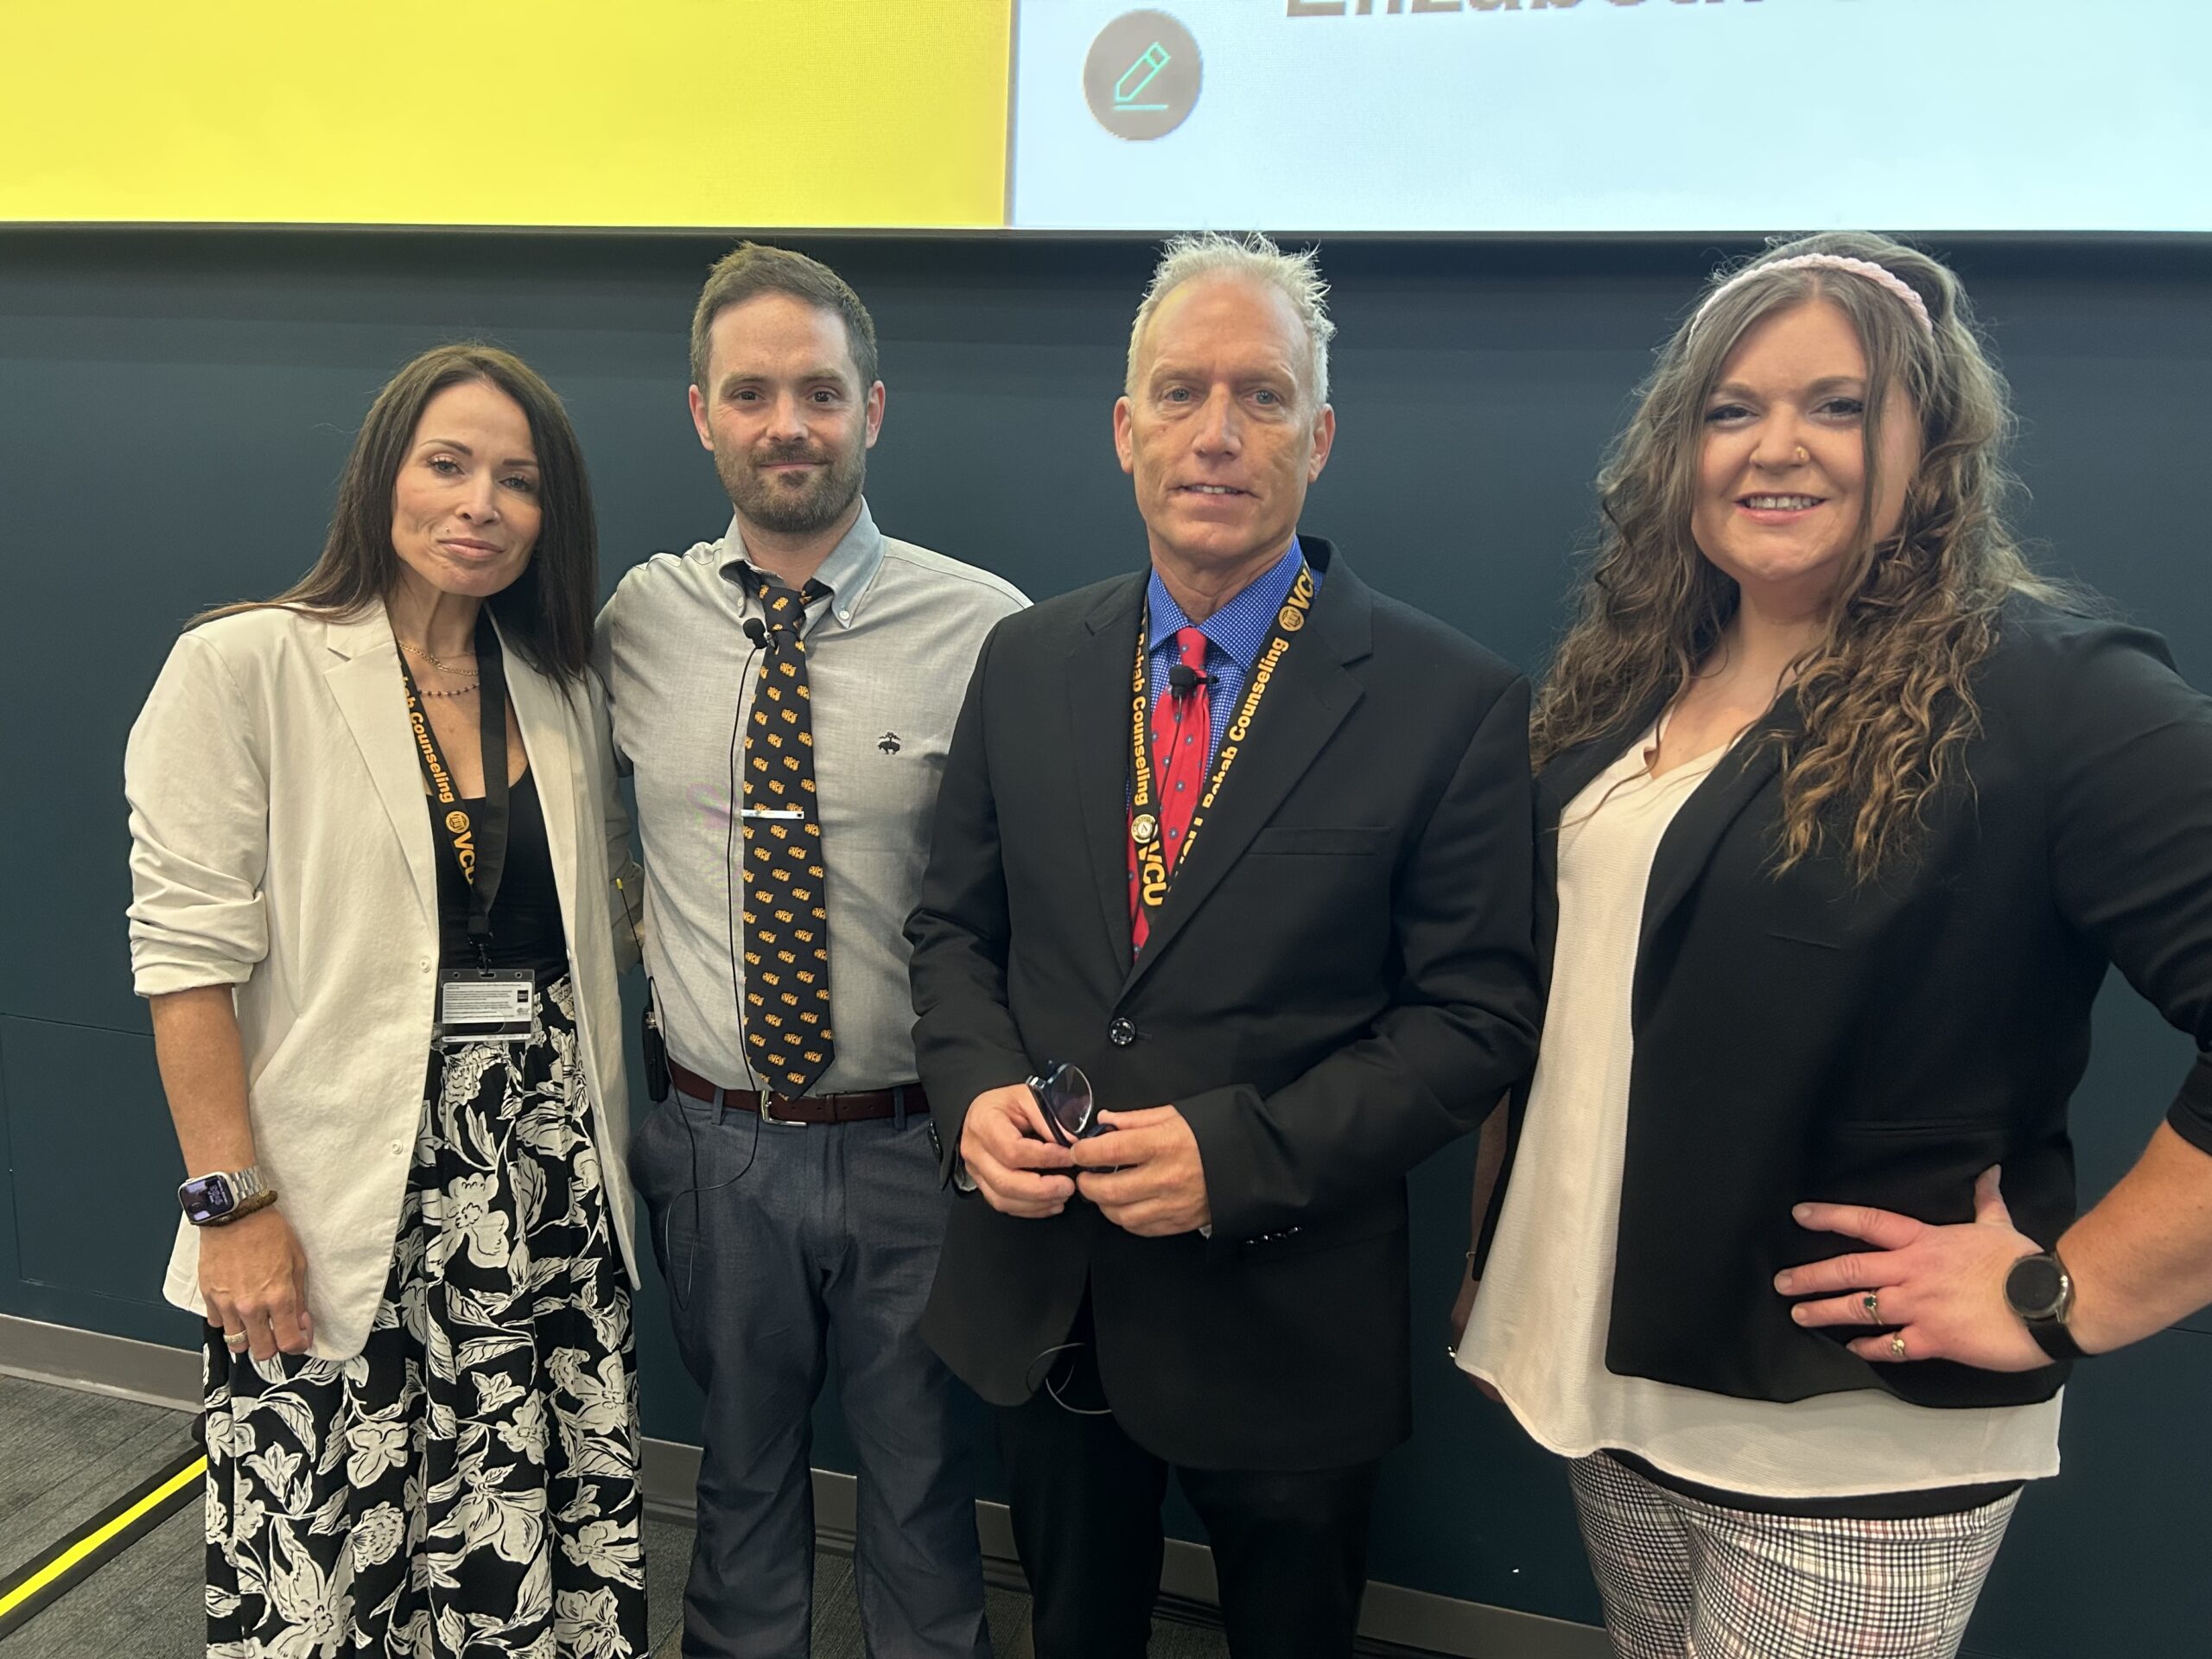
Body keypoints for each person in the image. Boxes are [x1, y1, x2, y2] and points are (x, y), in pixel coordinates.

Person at [1454, 232, 2212, 1659]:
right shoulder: (1627, 694)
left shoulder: (2051, 696)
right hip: (1611, 1395)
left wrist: (2070, 1294)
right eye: (1731, 410)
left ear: (1932, 445)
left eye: (1839, 404)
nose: (1774, 447)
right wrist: (1510, 1252)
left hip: (1849, 1449)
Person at [906, 231, 1541, 1658]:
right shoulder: (1026, 661)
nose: (1216, 433)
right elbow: (953, 930)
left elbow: (1477, 1018)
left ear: (1319, 438)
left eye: (1260, 397)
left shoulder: (1449, 700)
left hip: (1285, 1310)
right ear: (1124, 431)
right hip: (1045, 1288)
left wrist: (1235, 1160)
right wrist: (973, 1098)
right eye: (1180, 392)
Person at [125, 344, 647, 1656]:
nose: (481, 504)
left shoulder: (568, 691)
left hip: (539, 1190)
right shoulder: (244, 668)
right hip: (330, 1184)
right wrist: (229, 1204)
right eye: (449, 464)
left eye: (518, 481)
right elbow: (185, 962)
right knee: (327, 1536)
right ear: (383, 479)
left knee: (519, 1540)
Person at [597, 243, 1021, 1659]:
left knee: (920, 1489)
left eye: (821, 392)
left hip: (917, 1148)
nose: (790, 422)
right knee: (740, 1476)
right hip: (716, 1144)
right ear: (702, 415)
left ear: (874, 411)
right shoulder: (630, 627)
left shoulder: (987, 630)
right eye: (754, 392)